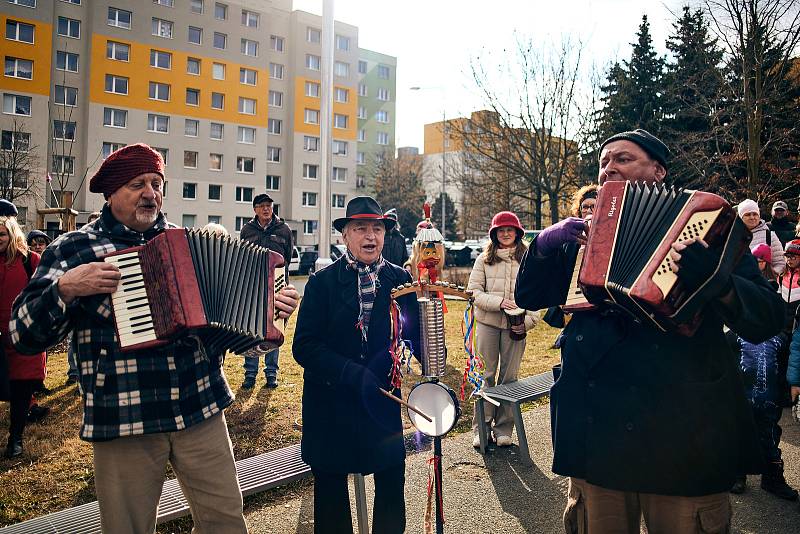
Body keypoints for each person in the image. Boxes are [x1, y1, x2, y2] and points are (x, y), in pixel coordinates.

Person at [10, 144, 299, 533]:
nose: (150, 193)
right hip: (126, 414)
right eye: (137, 184)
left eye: (156, 184)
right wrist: (63, 288)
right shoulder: (72, 249)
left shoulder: (187, 243)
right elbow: (23, 335)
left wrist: (266, 320)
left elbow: (220, 334)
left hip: (199, 406)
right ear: (111, 192)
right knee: (127, 527)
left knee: (227, 522)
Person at [515, 129, 784, 532]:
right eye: (603, 163)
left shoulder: (709, 228)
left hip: (680, 435)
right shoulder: (585, 235)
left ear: (657, 170)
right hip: (599, 432)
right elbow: (530, 295)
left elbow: (768, 318)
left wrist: (717, 282)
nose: (608, 170)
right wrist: (541, 247)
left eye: (622, 159)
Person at [293, 196, 420, 533]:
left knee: (392, 486)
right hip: (330, 407)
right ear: (345, 236)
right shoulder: (322, 283)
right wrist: (350, 373)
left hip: (382, 406)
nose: (370, 236)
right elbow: (304, 346)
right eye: (360, 228)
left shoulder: (401, 281)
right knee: (332, 498)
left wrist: (431, 345)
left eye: (377, 228)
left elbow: (417, 339)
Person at [729, 242, 797, 499]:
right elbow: (725, 364)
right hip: (742, 400)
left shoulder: (779, 337)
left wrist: (784, 390)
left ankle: (773, 479)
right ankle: (738, 476)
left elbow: (785, 363)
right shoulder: (735, 334)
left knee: (769, 440)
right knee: (739, 438)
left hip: (769, 402)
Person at [468, 211, 538, 448]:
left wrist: (527, 322)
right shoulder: (484, 259)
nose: (506, 234)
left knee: (510, 378)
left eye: (510, 230)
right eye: (501, 230)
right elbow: (474, 292)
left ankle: (504, 428)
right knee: (486, 376)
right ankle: (482, 427)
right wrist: (498, 302)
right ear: (494, 234)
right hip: (488, 325)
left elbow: (538, 297)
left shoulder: (529, 259)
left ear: (518, 233)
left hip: (516, 328)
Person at [1, 214, 46, 458]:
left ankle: (15, 438)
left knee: (21, 390)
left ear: (11, 234)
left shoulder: (30, 261)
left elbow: (43, 294)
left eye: (1, 233)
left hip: (22, 336)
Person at [239, 193, 293, 389]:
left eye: (269, 205)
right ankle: (250, 374)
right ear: (255, 209)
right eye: (262, 206)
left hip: (277, 289)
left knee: (274, 330)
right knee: (251, 331)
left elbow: (286, 259)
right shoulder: (247, 230)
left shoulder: (284, 229)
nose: (266, 209)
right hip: (253, 288)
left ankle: (271, 374)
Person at [738, 199, 785, 274]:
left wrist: (768, 278)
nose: (752, 217)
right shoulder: (734, 237)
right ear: (741, 217)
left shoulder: (769, 236)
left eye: (755, 214)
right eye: (747, 214)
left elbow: (780, 263)